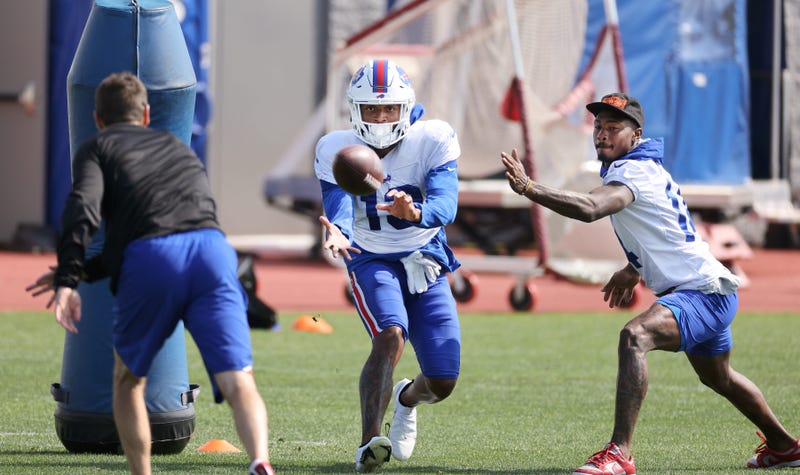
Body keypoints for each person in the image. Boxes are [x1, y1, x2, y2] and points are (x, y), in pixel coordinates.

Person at [500, 92, 800, 474]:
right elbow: (662, 228)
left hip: (701, 294)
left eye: (614, 127)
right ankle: (785, 446)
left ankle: (619, 454)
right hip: (709, 289)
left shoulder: (633, 172)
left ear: (636, 135)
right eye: (598, 126)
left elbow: (591, 209)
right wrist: (634, 267)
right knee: (719, 377)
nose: (602, 134)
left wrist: (530, 187)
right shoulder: (640, 167)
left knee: (635, 336)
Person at [26, 72, 275, 475]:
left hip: (153, 256)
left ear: (98, 118)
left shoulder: (97, 147)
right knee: (238, 378)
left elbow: (82, 212)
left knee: (129, 382)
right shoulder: (178, 148)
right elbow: (158, 225)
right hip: (213, 249)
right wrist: (80, 273)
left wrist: (68, 278)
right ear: (145, 115)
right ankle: (260, 460)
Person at [315, 59, 462, 473]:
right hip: (371, 256)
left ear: (405, 108)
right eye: (372, 110)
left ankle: (405, 399)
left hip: (423, 255)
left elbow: (446, 204)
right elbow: (338, 205)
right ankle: (369, 443)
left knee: (443, 380)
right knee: (390, 334)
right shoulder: (335, 146)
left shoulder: (432, 137)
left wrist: (416, 213)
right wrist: (340, 232)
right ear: (354, 110)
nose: (381, 118)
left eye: (389, 109)